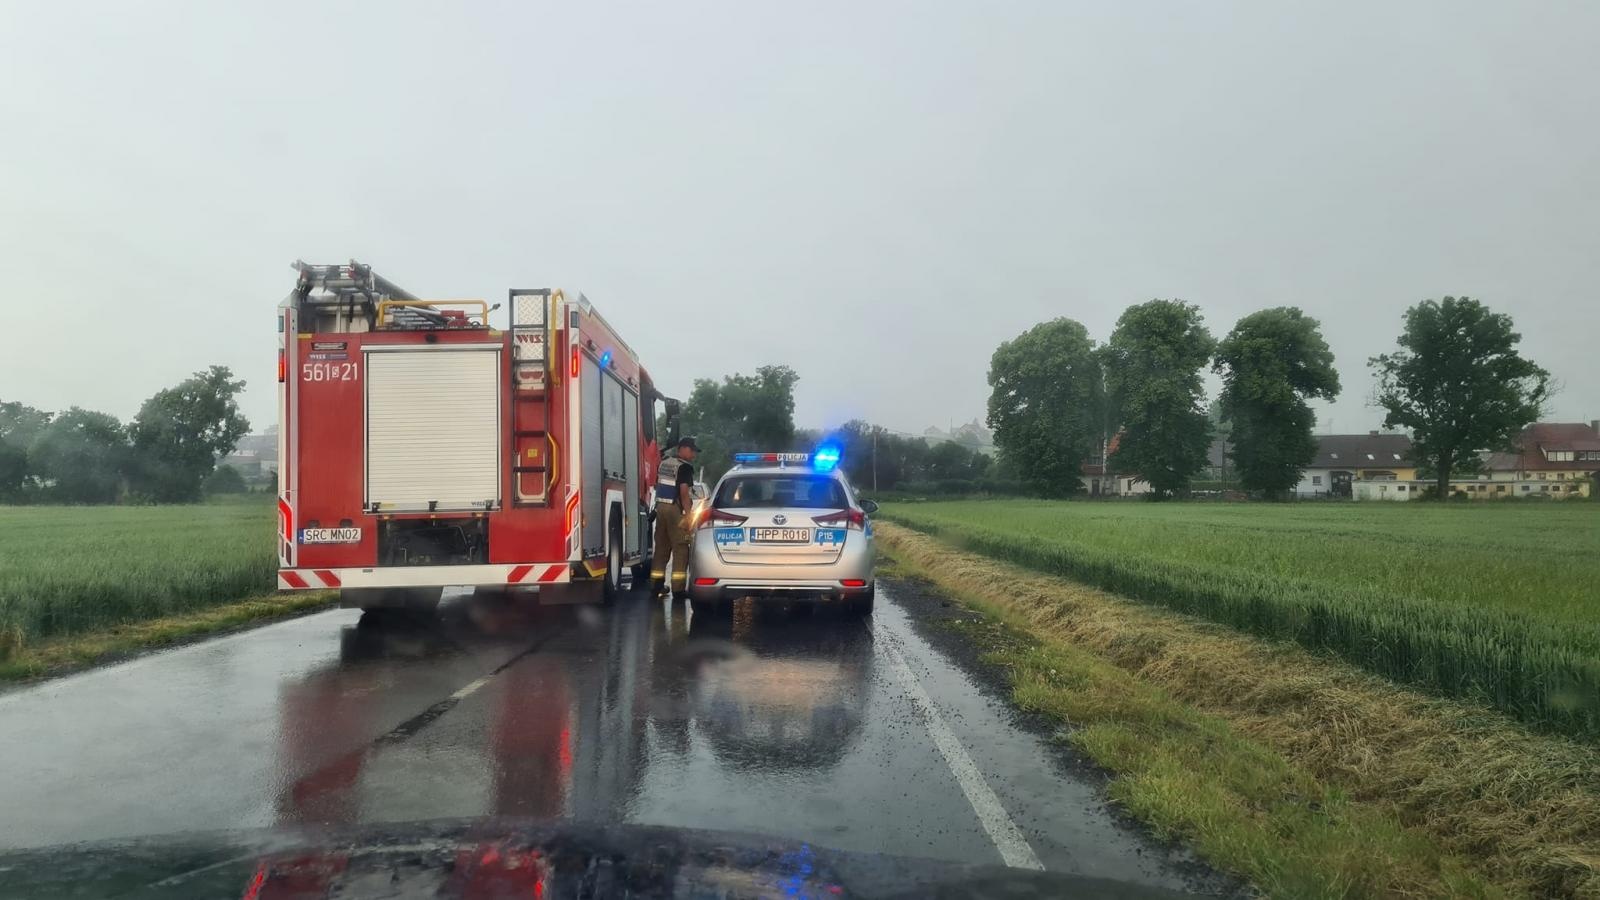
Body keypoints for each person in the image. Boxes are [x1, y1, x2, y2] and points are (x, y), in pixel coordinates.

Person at [649, 436, 699, 598]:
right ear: (683, 449)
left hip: (660, 508)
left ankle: (656, 585)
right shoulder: (684, 468)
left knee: (661, 548)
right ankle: (678, 589)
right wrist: (689, 515)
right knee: (681, 548)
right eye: (692, 451)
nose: (693, 455)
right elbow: (684, 493)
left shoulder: (665, 463)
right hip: (673, 510)